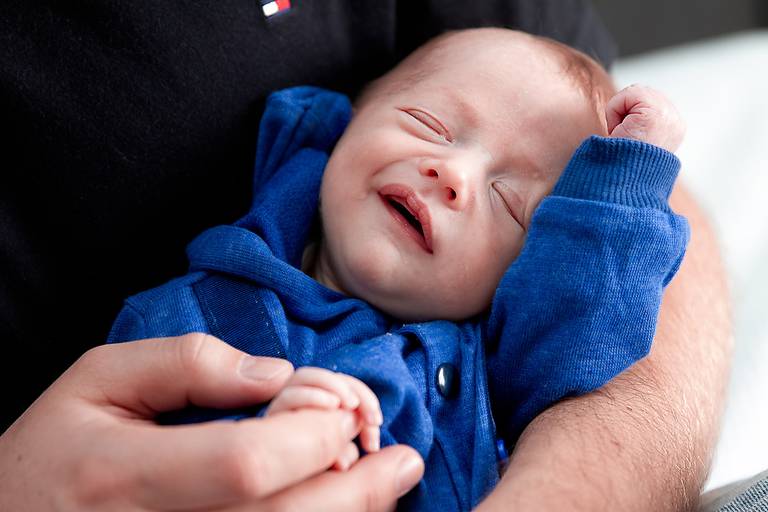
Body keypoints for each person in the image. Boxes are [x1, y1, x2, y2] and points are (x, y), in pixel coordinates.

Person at [0, 1, 731, 510]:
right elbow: (146, 443)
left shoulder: (503, 355)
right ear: (342, 126)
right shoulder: (213, 300)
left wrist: (626, 180)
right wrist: (276, 415)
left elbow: (594, 313)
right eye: (427, 124)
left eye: (511, 205)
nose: (453, 175)